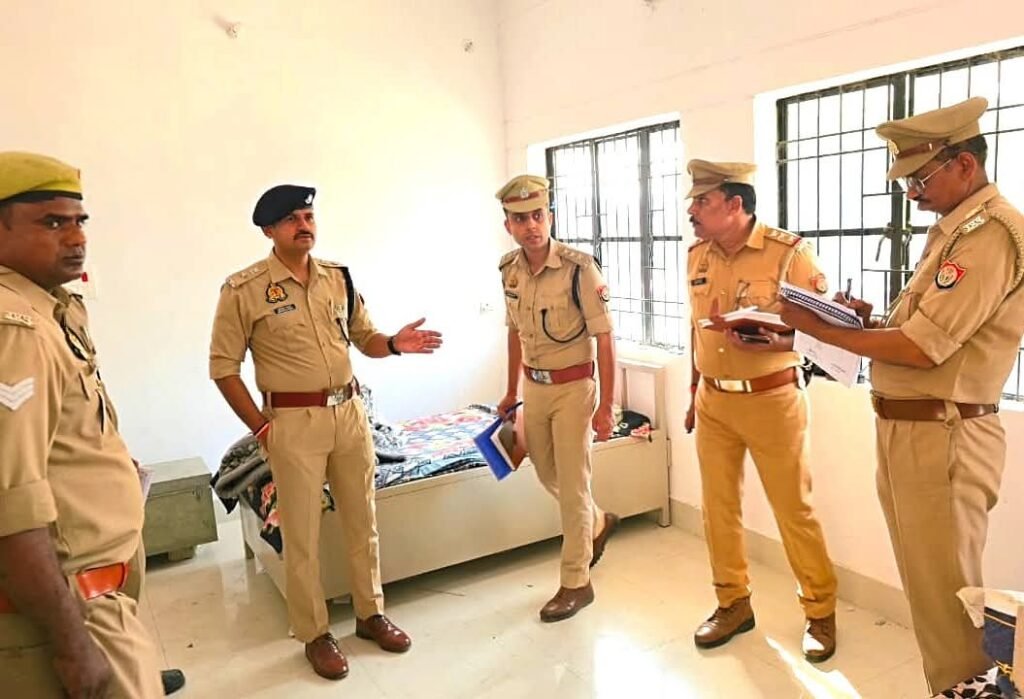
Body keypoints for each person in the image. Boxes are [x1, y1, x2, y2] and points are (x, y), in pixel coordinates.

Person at [779, 96, 1024, 694]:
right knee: (932, 593)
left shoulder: (988, 235)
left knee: (949, 602)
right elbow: (922, 330)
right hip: (913, 431)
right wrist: (863, 322)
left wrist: (820, 329)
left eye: (921, 177)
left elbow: (923, 347)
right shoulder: (952, 233)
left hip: (944, 436)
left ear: (964, 164)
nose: (911, 193)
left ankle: (963, 690)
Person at [209, 184, 441, 680]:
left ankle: (370, 614)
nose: (304, 225)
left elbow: (365, 338)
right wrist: (261, 428)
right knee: (302, 535)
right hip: (293, 424)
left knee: (363, 522)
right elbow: (223, 369)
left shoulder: (339, 277)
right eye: (292, 219)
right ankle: (314, 633)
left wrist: (394, 344)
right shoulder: (243, 290)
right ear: (269, 231)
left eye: (309, 216)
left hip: (350, 414)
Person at [0, 151, 163, 697]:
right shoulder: (15, 328)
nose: (76, 238)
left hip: (99, 592)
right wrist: (73, 645)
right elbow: (11, 506)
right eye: (52, 222)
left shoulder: (53, 308)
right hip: (75, 609)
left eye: (79, 221)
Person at [684, 159, 839, 661]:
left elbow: (826, 334)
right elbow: (695, 330)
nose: (692, 211)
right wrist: (693, 391)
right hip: (714, 401)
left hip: (773, 399)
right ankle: (732, 603)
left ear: (735, 205)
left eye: (702, 201)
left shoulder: (790, 254)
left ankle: (820, 611)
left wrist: (778, 340)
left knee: (794, 511)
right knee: (718, 510)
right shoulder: (696, 257)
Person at [495, 174, 619, 623]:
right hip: (535, 387)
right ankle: (597, 521)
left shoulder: (578, 268)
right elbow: (514, 332)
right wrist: (511, 390)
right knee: (547, 472)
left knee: (573, 483)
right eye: (520, 219)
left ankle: (575, 582)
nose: (530, 226)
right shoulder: (509, 270)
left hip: (573, 387)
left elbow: (605, 339)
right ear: (508, 225)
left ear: (549, 216)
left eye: (537, 215)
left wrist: (606, 406)